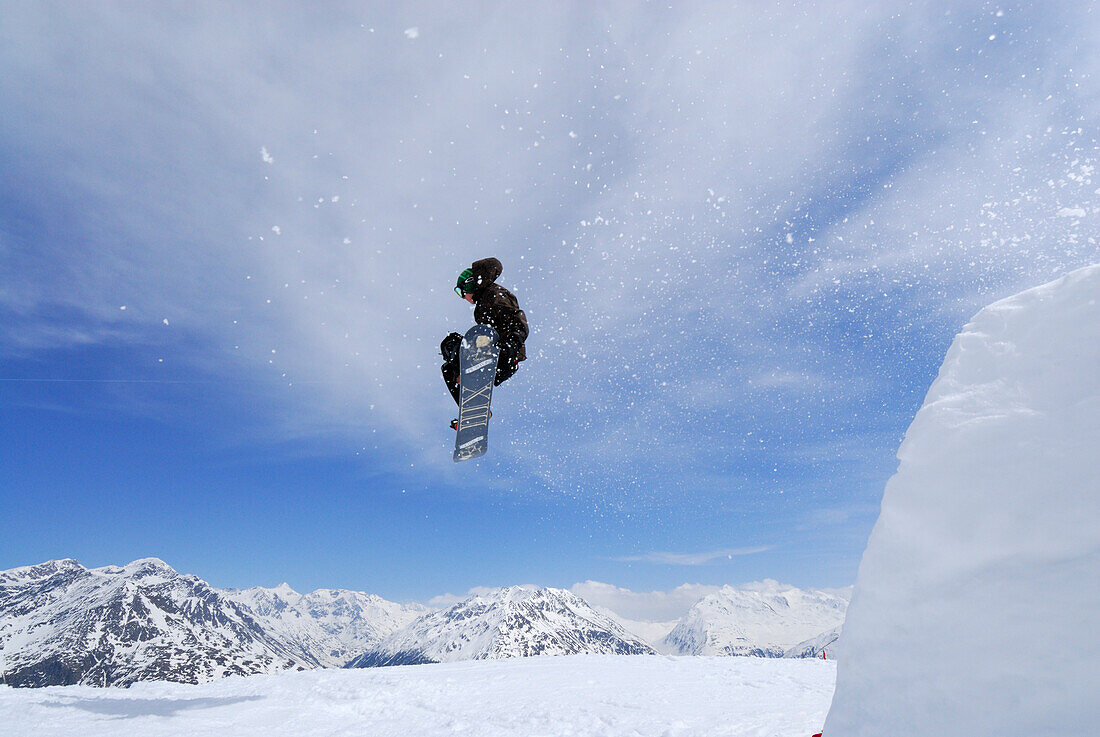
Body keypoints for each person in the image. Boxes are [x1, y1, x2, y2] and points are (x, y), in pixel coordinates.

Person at [440, 258, 528, 421]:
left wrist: (511, 345)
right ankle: (474, 409)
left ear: (469, 285)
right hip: (496, 356)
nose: (463, 297)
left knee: (451, 344)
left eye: (461, 292)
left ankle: (468, 373)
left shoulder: (493, 295)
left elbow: (518, 320)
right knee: (448, 369)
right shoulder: (483, 303)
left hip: (503, 354)